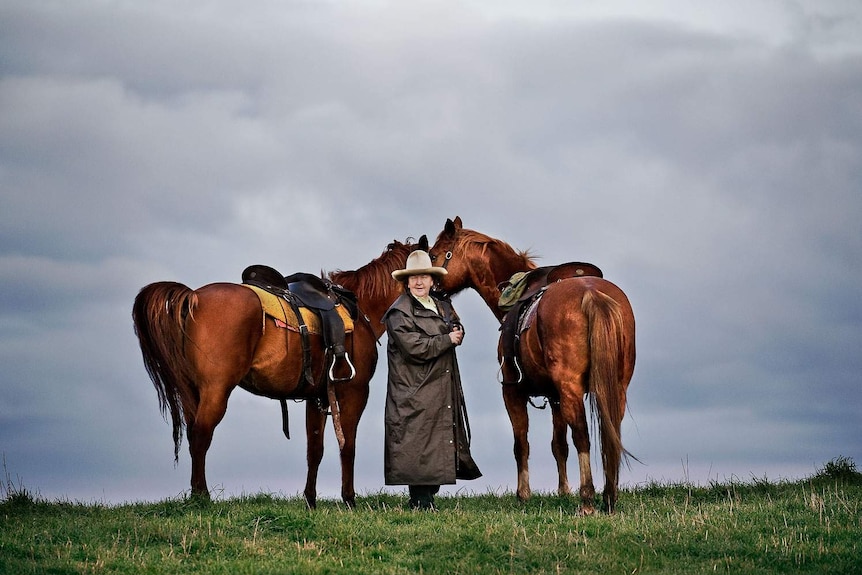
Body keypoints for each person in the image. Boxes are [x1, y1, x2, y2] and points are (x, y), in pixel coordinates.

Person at [382, 249, 482, 510]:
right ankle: (420, 500)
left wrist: (458, 331)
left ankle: (425, 499)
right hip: (414, 389)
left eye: (423, 277)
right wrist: (447, 339)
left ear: (431, 280)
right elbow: (413, 347)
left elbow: (455, 325)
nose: (418, 282)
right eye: (414, 278)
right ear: (406, 281)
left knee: (435, 441)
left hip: (439, 385)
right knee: (416, 441)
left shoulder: (442, 305)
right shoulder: (399, 312)